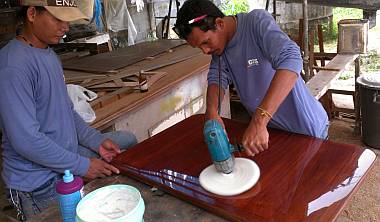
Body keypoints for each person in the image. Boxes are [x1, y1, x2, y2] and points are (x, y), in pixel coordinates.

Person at [0, 0, 137, 220]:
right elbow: (26, 140)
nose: (65, 27)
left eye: (67, 20)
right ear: (32, 14)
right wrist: (82, 166)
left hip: (63, 162)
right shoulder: (13, 66)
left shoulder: (49, 56)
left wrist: (96, 141)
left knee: (127, 141)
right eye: (57, 19)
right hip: (38, 182)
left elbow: (67, 112)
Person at [173, 0, 329, 156]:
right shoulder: (220, 48)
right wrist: (212, 112)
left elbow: (291, 59)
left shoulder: (256, 22)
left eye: (206, 42)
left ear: (220, 23)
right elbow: (217, 77)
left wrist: (258, 121)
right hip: (272, 131)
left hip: (306, 131)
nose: (205, 51)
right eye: (199, 47)